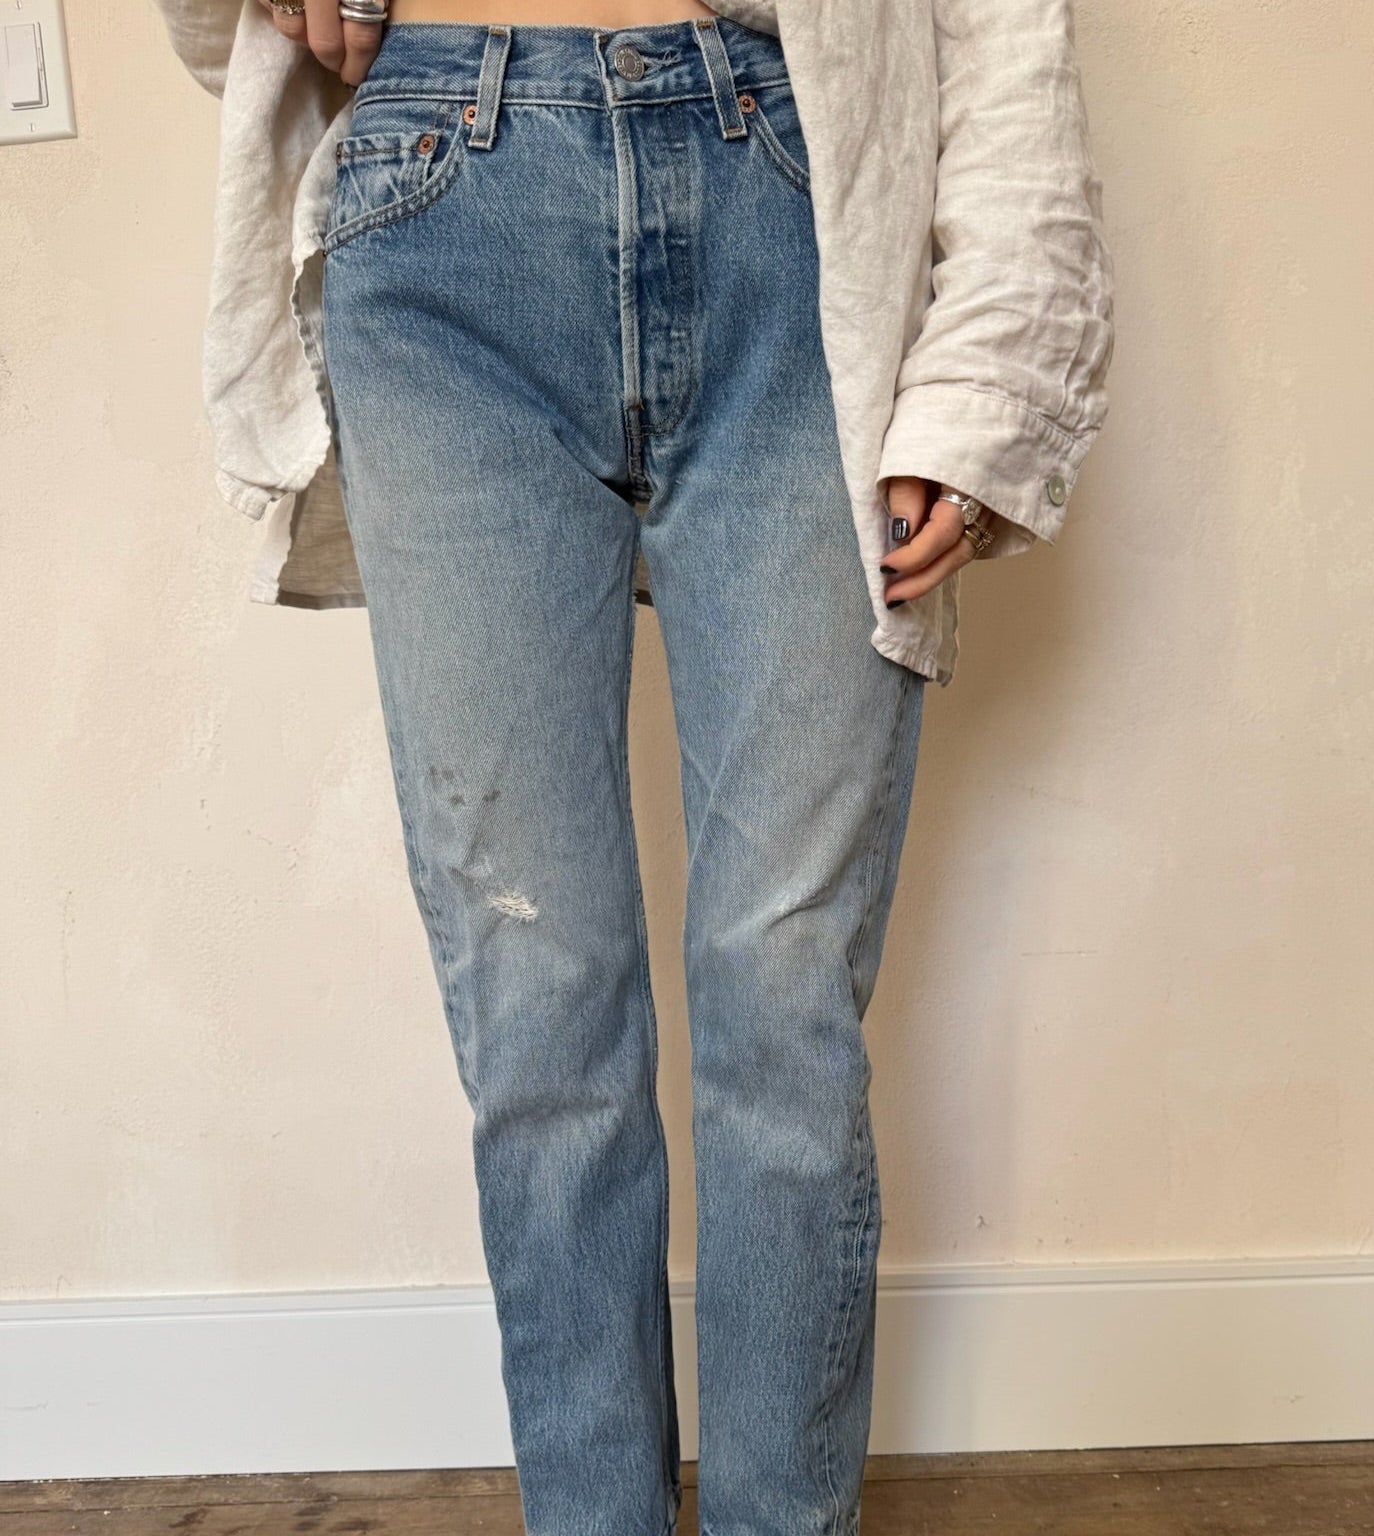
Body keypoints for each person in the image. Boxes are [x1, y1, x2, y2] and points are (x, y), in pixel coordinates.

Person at [154, 0, 1115, 1531]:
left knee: (783, 995)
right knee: (536, 1007)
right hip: (439, 197)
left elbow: (994, 22)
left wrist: (991, 368)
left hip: (793, 200)